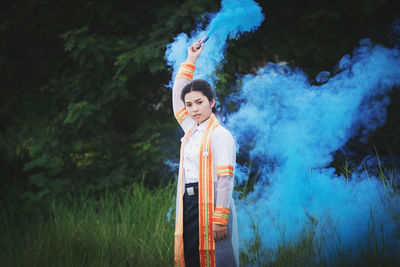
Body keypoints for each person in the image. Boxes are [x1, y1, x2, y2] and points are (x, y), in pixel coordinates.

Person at [172, 39, 239, 267]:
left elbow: (225, 178)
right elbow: (177, 99)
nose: (193, 109)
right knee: (191, 256)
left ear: (212, 102)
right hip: (189, 202)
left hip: (211, 203)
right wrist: (190, 60)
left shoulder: (220, 134)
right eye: (189, 105)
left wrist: (220, 217)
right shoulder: (190, 129)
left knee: (216, 257)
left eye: (199, 102)